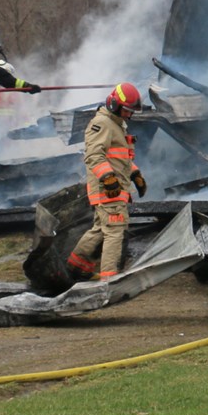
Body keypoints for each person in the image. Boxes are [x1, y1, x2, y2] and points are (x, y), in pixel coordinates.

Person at [66, 82, 148, 281]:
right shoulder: (103, 123)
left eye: (131, 111)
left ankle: (77, 266)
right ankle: (110, 280)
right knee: (115, 231)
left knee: (101, 229)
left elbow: (119, 158)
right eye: (126, 110)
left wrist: (135, 174)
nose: (129, 115)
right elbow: (94, 155)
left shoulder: (116, 124)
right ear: (114, 104)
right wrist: (108, 178)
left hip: (114, 187)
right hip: (109, 188)